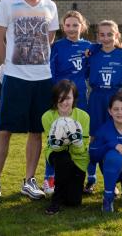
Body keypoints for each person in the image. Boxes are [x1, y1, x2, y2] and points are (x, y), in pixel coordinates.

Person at [0, 0, 59, 204]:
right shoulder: (7, 3)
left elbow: (50, 38)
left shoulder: (50, 6)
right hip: (15, 79)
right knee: (4, 130)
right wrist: (10, 63)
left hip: (42, 79)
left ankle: (29, 181)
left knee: (36, 132)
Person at [42, 10, 91, 195]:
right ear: (63, 27)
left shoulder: (89, 47)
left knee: (80, 136)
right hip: (62, 98)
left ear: (82, 26)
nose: (71, 29)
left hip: (80, 97)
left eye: (75, 25)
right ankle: (49, 178)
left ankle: (84, 177)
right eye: (68, 25)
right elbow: (51, 71)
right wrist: (58, 94)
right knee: (56, 135)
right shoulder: (57, 47)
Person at [84, 20, 122, 193]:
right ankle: (91, 178)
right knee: (95, 139)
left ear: (117, 35)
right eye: (102, 34)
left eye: (110, 34)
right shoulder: (92, 54)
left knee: (116, 139)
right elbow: (85, 72)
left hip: (116, 99)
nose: (106, 38)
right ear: (97, 37)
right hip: (97, 98)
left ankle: (112, 181)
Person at [42, 79, 90, 215]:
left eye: (68, 98)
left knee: (73, 202)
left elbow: (83, 148)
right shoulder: (47, 116)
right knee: (63, 159)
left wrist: (77, 142)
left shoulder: (83, 116)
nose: (64, 102)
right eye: (60, 98)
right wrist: (58, 144)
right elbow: (52, 145)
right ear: (55, 98)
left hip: (78, 158)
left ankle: (67, 189)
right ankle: (55, 201)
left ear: (74, 98)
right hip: (56, 154)